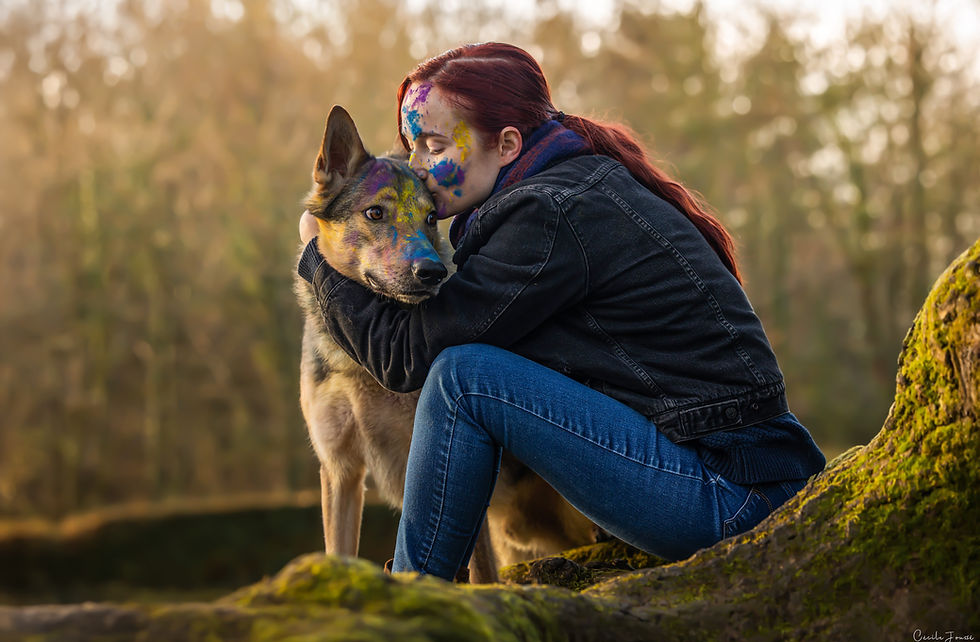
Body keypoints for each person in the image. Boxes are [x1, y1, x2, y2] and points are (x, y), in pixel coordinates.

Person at [296, 42, 825, 581]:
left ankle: (412, 593)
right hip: (742, 475)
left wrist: (318, 251)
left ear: (506, 145)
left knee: (464, 379)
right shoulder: (570, 188)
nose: (418, 170)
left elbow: (408, 356)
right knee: (469, 373)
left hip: (731, 493)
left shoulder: (548, 216)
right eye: (412, 148)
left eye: (433, 146)